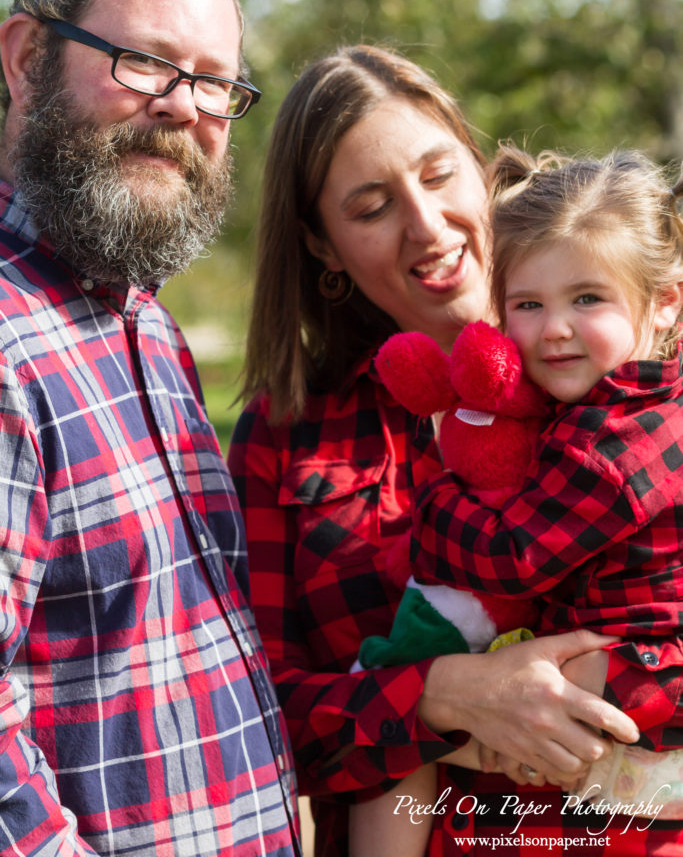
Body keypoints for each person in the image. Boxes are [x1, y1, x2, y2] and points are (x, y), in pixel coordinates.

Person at [228, 43, 674, 857]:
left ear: (476, 167)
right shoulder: (290, 432)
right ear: (322, 246)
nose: (426, 227)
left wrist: (605, 692)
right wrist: (442, 699)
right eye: (370, 208)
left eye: (438, 176)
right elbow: (240, 711)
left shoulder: (625, 377)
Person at [0, 0, 299, 857]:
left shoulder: (144, 324)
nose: (184, 107)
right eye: (144, 62)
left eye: (214, 81)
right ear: (26, 58)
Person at [351, 144, 683, 856]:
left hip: (634, 664)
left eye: (586, 298)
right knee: (424, 711)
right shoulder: (593, 407)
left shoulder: (626, 435)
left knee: (398, 699)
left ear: (663, 302)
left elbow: (512, 557)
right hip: (587, 659)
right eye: (528, 305)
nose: (554, 327)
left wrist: (434, 505)